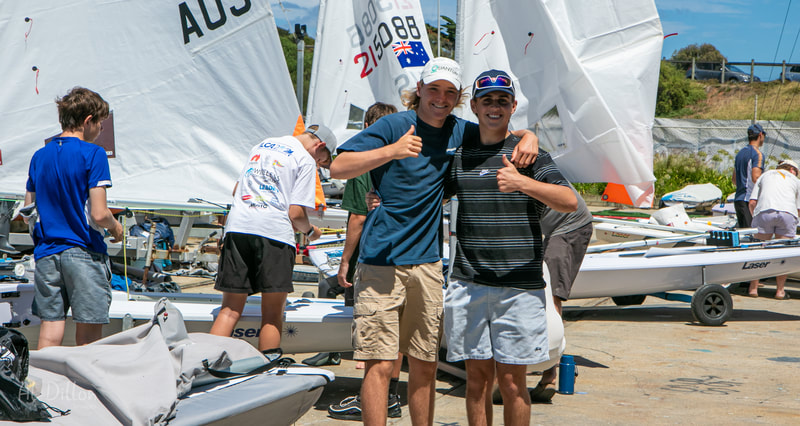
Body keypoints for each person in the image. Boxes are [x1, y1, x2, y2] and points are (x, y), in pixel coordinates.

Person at [330, 58, 538, 425]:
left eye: (449, 92)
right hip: (381, 261)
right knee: (379, 364)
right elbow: (337, 166)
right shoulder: (394, 125)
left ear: (459, 98)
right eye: (434, 90)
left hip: (427, 264)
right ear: (420, 90)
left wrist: (530, 136)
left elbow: (501, 128)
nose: (440, 98)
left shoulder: (461, 130)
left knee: (425, 365)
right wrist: (390, 151)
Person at [443, 69, 577, 426]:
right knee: (476, 382)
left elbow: (569, 201)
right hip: (469, 283)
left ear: (513, 106)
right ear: (473, 106)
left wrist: (522, 183)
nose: (494, 107)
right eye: (487, 100)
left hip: (519, 287)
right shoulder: (459, 158)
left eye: (503, 100)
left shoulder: (528, 156)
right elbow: (425, 193)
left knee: (514, 384)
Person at [209, 124, 336, 351]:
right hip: (274, 233)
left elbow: (237, 189)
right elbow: (295, 214)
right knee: (271, 314)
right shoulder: (304, 159)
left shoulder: (262, 145)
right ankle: (268, 369)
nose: (318, 165)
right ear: (320, 146)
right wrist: (310, 232)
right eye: (322, 160)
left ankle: (207, 363)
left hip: (238, 227)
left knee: (229, 310)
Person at [25, 87, 124, 349]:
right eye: (101, 122)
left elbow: (28, 212)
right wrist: (116, 228)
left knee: (51, 326)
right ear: (88, 120)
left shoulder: (39, 155)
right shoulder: (94, 154)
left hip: (47, 253)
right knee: (88, 334)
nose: (102, 129)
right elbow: (99, 214)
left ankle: (42, 385)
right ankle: (84, 389)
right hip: (83, 251)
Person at [530, 186, 593, 402]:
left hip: (569, 227)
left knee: (551, 297)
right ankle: (548, 370)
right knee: (547, 295)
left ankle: (550, 375)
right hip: (559, 228)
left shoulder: (519, 165)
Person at [747, 159, 800, 300]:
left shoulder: (766, 174)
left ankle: (753, 288)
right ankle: (780, 291)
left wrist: (755, 218)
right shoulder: (796, 181)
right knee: (782, 253)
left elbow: (752, 202)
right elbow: (798, 208)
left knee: (759, 250)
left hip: (765, 212)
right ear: (793, 170)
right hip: (788, 213)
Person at [733, 123, 766, 228]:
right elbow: (756, 178)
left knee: (743, 236)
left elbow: (734, 179)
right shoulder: (758, 154)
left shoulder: (740, 153)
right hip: (749, 200)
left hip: (738, 200)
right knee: (752, 236)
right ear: (760, 135)